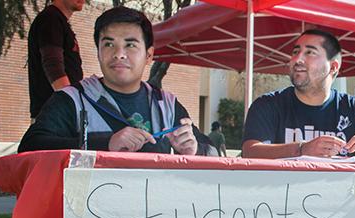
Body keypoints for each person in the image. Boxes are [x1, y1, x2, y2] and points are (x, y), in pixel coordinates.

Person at [19, 6, 215, 156]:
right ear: (98, 52)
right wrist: (104, 143)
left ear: (149, 55)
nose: (119, 54)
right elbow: (29, 147)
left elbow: (215, 153)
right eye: (109, 44)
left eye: (130, 45)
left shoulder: (167, 105)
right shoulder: (73, 99)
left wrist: (194, 149)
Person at [242, 29, 355, 158]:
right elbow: (250, 151)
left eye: (310, 52)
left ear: (333, 67)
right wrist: (302, 149)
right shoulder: (268, 105)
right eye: (295, 52)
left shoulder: (353, 108)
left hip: (338, 192)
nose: (297, 59)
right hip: (282, 192)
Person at [28, 0, 85, 120]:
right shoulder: (51, 18)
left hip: (58, 114)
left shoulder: (58, 20)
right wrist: (70, 104)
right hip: (54, 116)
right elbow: (53, 64)